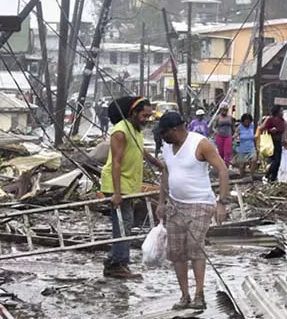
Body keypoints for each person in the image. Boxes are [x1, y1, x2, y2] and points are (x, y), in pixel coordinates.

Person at [154, 112, 229, 311]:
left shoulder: (200, 143)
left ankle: (199, 294)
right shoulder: (167, 148)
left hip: (200, 203)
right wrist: (161, 201)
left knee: (194, 249)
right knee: (176, 252)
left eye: (165, 133)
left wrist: (222, 202)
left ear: (176, 129)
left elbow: (222, 169)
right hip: (176, 204)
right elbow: (166, 173)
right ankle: (185, 295)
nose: (163, 137)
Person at [100, 96, 165, 279]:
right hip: (117, 184)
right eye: (144, 115)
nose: (146, 119)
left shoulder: (136, 131)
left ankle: (115, 260)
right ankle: (117, 264)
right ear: (133, 113)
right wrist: (117, 193)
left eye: (149, 116)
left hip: (129, 184)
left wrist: (162, 166)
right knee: (122, 223)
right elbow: (116, 163)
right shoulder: (120, 132)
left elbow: (143, 153)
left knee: (126, 223)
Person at [260, 105, 287, 182]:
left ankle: (273, 178)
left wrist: (285, 140)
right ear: (276, 112)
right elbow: (262, 128)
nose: (282, 113)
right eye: (281, 111)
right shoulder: (270, 119)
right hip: (271, 141)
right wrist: (270, 130)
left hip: (278, 142)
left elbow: (284, 132)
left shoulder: (282, 121)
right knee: (275, 160)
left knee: (278, 161)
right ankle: (266, 176)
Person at [234, 113, 257, 179]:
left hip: (251, 147)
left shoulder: (252, 126)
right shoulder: (240, 127)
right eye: (246, 122)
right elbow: (235, 135)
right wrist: (236, 138)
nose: (248, 123)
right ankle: (241, 176)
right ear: (243, 121)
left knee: (254, 160)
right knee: (242, 165)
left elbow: (255, 135)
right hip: (242, 148)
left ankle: (251, 175)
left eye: (249, 122)